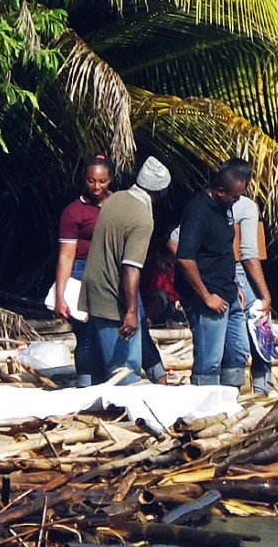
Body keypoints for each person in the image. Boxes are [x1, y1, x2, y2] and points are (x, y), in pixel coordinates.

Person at [79, 156, 171, 384]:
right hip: (113, 296)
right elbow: (131, 267)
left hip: (94, 288)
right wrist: (130, 311)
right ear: (160, 192)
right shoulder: (142, 218)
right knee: (124, 369)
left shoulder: (114, 199)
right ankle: (127, 416)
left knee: (103, 361)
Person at [176, 161, 250, 388]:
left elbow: (223, 249)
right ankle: (205, 408)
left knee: (238, 352)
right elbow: (185, 258)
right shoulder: (198, 211)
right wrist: (206, 296)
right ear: (219, 191)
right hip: (208, 297)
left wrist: (234, 284)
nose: (236, 201)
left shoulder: (223, 208)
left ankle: (231, 401)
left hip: (229, 290)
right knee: (210, 360)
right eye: (234, 197)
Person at [54, 155, 115, 387]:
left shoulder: (118, 205)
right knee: (87, 334)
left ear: (110, 180)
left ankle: (108, 383)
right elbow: (66, 255)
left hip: (111, 272)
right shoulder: (74, 212)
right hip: (81, 272)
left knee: (109, 332)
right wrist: (61, 296)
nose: (96, 186)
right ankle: (86, 385)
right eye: (91, 181)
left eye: (102, 181)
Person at [227, 160, 274, 396]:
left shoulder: (205, 201)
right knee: (260, 332)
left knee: (230, 336)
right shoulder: (245, 206)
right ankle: (261, 391)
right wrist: (265, 294)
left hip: (217, 274)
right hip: (240, 273)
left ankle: (229, 393)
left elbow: (175, 240)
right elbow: (248, 254)